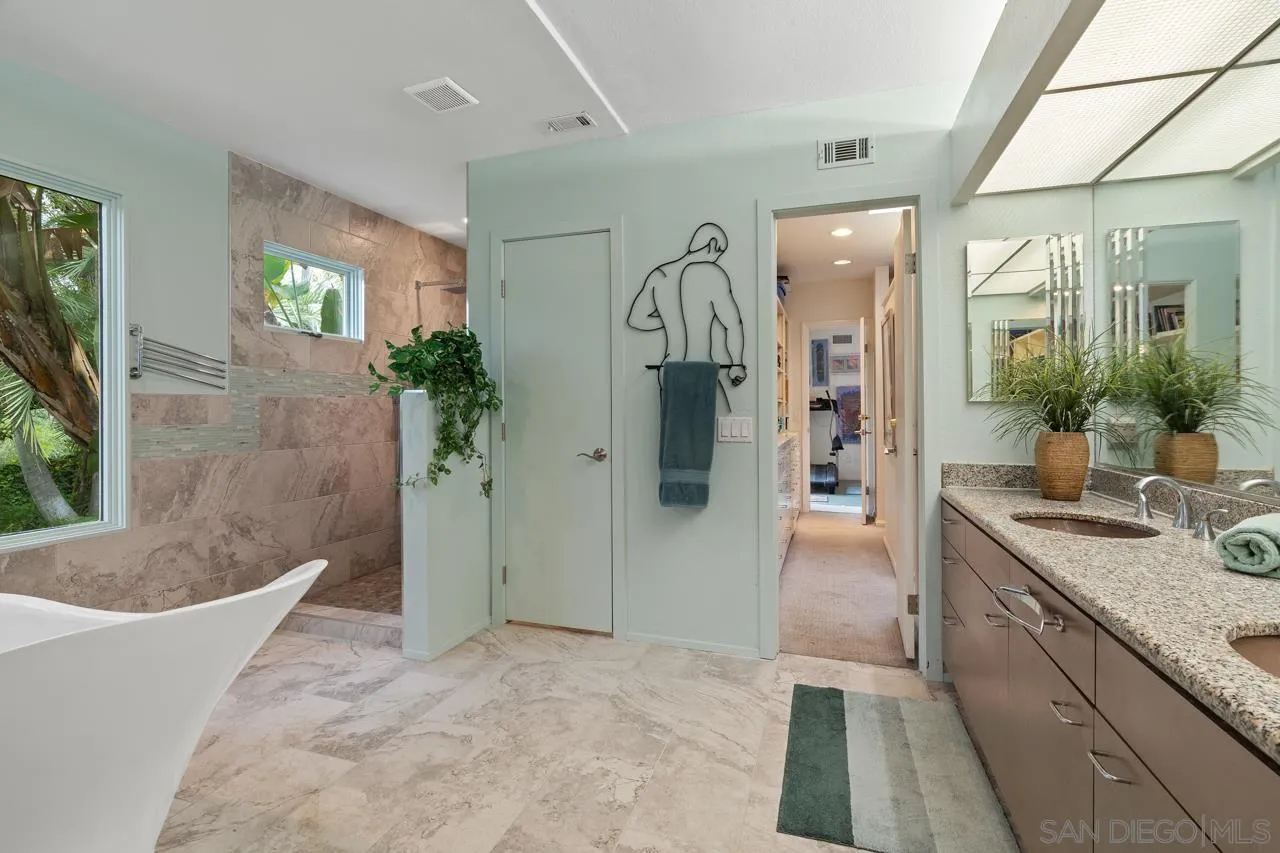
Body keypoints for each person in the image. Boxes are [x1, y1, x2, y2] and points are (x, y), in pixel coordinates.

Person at [627, 223, 747, 386]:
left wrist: (670, 320)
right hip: (699, 369)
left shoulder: (660, 275)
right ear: (712, 244)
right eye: (719, 253)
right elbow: (733, 324)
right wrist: (737, 364)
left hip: (668, 370)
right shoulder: (711, 273)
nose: (717, 259)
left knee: (672, 404)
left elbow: (636, 320)